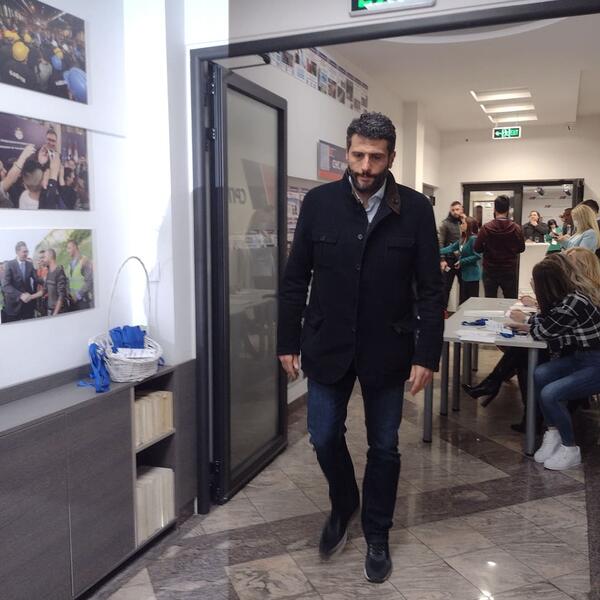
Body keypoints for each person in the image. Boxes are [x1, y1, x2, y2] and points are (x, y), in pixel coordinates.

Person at [278, 112, 443, 584]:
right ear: (346, 153)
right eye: (357, 155)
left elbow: (431, 290)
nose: (365, 166)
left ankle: (377, 532)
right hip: (327, 342)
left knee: (384, 446)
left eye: (375, 157)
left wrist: (426, 354)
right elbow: (296, 278)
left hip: (388, 346)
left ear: (392, 157)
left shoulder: (415, 209)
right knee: (323, 434)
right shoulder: (319, 203)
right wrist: (287, 339)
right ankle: (344, 500)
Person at [509, 253, 600, 470]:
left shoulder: (573, 302)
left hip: (595, 362)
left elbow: (544, 331)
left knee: (551, 394)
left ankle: (570, 448)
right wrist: (534, 323)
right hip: (582, 358)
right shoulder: (570, 298)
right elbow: (550, 324)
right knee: (541, 373)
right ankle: (553, 432)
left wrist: (531, 323)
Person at [473, 195, 525, 299]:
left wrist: (488, 249)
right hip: (509, 269)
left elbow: (477, 248)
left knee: (490, 299)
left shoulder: (486, 227)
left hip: (490, 269)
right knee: (510, 300)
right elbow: (521, 248)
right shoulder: (516, 228)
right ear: (508, 210)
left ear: (494, 209)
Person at [0, 144, 61, 210]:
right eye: (1, 170)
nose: (5, 171)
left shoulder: (24, 195)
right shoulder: (23, 194)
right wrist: (53, 177)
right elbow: (10, 179)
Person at [439, 215, 481, 305]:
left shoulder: (473, 239)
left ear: (469, 225)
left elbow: (477, 256)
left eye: (463, 223)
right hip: (464, 276)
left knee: (471, 303)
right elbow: (450, 248)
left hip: (472, 276)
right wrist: (434, 251)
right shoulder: (463, 239)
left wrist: (461, 261)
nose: (460, 225)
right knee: (464, 302)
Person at [1, 242, 42, 322]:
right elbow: (6, 285)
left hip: (28, 305)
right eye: (24, 252)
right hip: (14, 306)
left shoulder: (30, 264)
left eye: (27, 251)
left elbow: (37, 279)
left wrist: (48, 279)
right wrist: (20, 295)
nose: (26, 254)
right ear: (17, 252)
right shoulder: (9, 265)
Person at [438, 201, 463, 308]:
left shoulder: (464, 223)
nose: (455, 212)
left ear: (461, 210)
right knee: (445, 288)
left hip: (462, 261)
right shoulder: (445, 224)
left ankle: (462, 311)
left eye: (457, 209)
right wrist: (442, 259)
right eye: (453, 210)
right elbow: (440, 242)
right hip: (449, 260)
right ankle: (443, 312)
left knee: (464, 288)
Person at [66, 239, 93, 309]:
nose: (67, 251)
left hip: (83, 301)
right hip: (74, 302)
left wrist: (78, 296)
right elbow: (69, 281)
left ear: (75, 247)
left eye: (69, 248)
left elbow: (89, 281)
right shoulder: (69, 265)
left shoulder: (84, 261)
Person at [43, 248, 68, 316]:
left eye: (44, 257)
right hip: (50, 310)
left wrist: (55, 314)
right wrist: (30, 297)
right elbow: (44, 290)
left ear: (50, 256)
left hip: (59, 312)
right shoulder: (49, 272)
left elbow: (61, 295)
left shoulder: (59, 271)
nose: (43, 259)